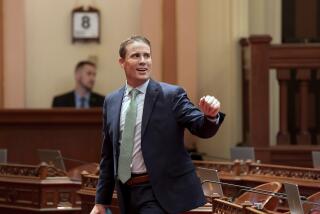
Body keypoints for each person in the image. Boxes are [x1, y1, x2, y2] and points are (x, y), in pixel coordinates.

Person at [91, 35, 225, 214]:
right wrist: (101, 201)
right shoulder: (112, 101)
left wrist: (210, 117)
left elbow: (200, 127)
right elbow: (108, 155)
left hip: (159, 192)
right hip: (127, 192)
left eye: (147, 56)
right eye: (136, 56)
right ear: (121, 62)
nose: (143, 61)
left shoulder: (171, 95)